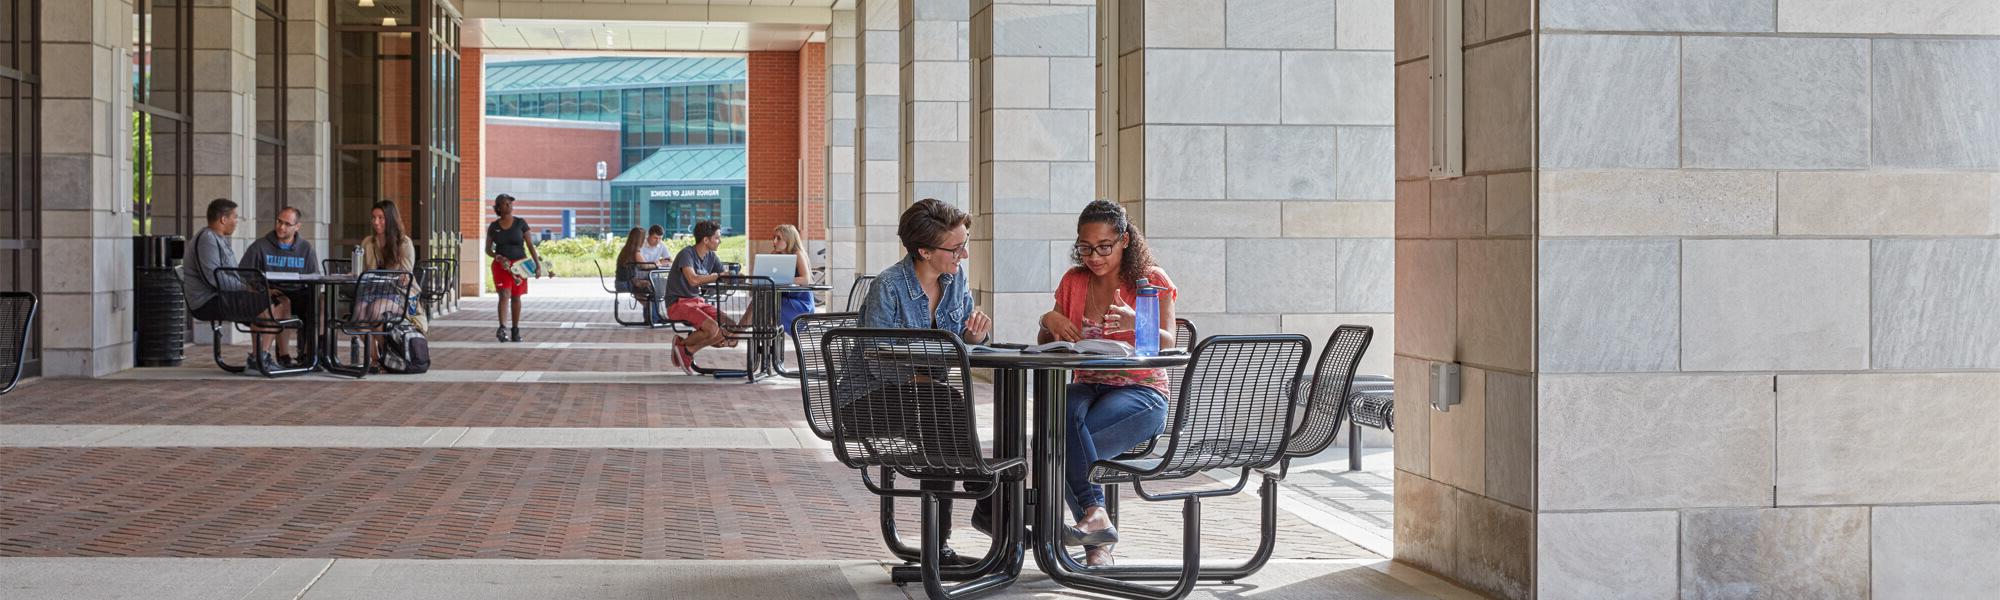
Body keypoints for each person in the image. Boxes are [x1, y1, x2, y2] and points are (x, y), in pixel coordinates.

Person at [1036, 200, 1176, 567]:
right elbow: (1046, 343)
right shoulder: (1074, 281)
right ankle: (1096, 521)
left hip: (1141, 391)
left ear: (1125, 240)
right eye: (1085, 247)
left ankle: (1092, 538)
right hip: (1088, 384)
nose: (1093, 256)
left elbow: (1170, 340)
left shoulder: (1150, 279)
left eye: (1103, 247)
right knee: (1055, 417)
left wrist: (1136, 321)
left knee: (1056, 446)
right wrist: (1048, 319)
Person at [857, 198, 994, 564]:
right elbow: (875, 357)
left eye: (965, 244)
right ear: (924, 250)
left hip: (926, 400)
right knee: (943, 410)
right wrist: (919, 379)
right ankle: (989, 507)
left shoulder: (955, 280)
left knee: (941, 417)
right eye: (955, 248)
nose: (963, 255)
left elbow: (960, 345)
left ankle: (948, 540)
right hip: (867, 400)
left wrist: (975, 336)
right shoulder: (889, 286)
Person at [183, 198, 292, 372]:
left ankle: (267, 357)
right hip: (207, 301)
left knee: (280, 300)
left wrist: (256, 289)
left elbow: (228, 275)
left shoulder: (218, 238)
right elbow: (214, 278)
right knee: (269, 305)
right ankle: (258, 360)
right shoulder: (207, 239)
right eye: (235, 217)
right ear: (223, 219)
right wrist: (247, 289)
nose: (236, 221)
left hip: (222, 296)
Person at [238, 206, 319, 367]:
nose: (281, 227)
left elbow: (313, 277)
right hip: (270, 293)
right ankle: (284, 356)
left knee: (321, 304)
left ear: (297, 227)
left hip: (298, 293)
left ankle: (314, 355)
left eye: (287, 224)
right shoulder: (260, 246)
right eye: (279, 222)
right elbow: (243, 275)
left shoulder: (306, 249)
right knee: (283, 302)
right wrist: (263, 289)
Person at [661, 220, 735, 374]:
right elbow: (693, 280)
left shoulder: (711, 256)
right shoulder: (687, 254)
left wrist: (736, 276)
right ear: (706, 240)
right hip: (678, 303)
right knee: (713, 328)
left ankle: (686, 347)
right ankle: (684, 349)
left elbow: (722, 278)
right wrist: (718, 276)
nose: (719, 241)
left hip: (697, 302)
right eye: (717, 238)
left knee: (731, 327)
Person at [486, 194, 547, 342]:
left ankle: (515, 330)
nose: (509, 206)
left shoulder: (521, 223)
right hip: (502, 266)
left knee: (516, 297)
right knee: (504, 294)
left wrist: (537, 266)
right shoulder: (494, 227)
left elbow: (530, 246)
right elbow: (488, 249)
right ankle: (502, 328)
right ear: (499, 207)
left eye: (510, 204)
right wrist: (497, 257)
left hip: (520, 265)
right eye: (505, 204)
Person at [770, 224, 817, 334]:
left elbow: (806, 280)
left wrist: (782, 280)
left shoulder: (798, 254)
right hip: (785, 300)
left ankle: (738, 332)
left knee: (766, 303)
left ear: (789, 239)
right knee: (762, 301)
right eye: (774, 238)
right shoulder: (776, 255)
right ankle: (743, 332)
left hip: (801, 305)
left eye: (779, 238)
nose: (774, 241)